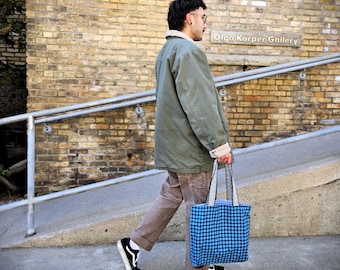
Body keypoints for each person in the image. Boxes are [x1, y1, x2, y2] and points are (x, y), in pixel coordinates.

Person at [117, 0, 232, 269]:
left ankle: (132, 245)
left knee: (171, 196)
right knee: (199, 209)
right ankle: (199, 266)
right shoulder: (188, 52)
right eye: (204, 17)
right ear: (189, 18)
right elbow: (199, 104)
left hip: (174, 147)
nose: (206, 23)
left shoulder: (167, 50)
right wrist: (218, 144)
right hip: (192, 150)